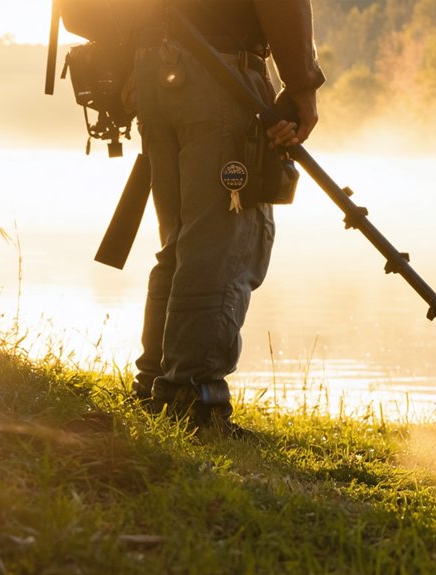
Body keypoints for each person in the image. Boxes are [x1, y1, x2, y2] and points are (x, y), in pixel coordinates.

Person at [129, 0, 324, 436]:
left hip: (153, 66)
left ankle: (157, 386)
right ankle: (192, 397)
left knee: (182, 239)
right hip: (216, 69)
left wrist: (134, 63)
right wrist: (302, 84)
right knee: (221, 240)